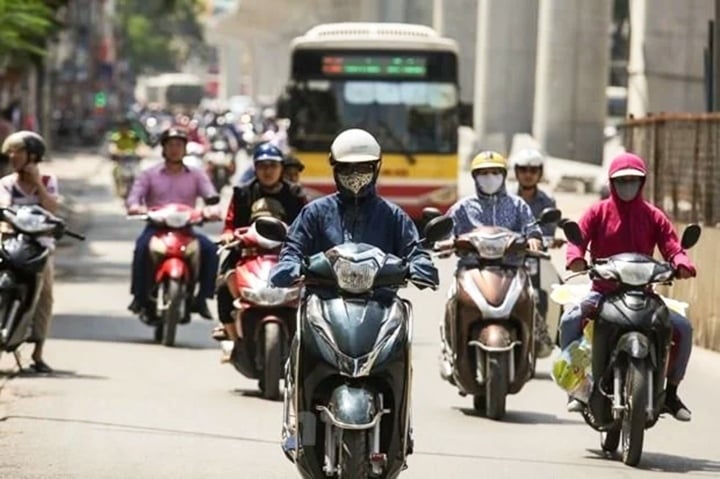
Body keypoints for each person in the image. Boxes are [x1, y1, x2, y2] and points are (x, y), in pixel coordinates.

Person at [560, 152, 696, 421]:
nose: (627, 185)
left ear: (642, 182)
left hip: (645, 294)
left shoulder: (653, 215)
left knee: (683, 328)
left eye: (634, 180)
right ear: (611, 183)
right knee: (569, 320)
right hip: (603, 293)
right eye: (622, 181)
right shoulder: (597, 212)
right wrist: (575, 258)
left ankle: (671, 392)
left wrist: (681, 262)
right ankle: (576, 387)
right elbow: (578, 240)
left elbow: (672, 245)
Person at [270, 128, 438, 290]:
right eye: (346, 168)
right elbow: (292, 251)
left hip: (381, 302)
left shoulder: (393, 215)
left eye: (364, 167)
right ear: (335, 169)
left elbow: (415, 253)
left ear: (376, 168)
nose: (354, 174)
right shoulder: (314, 213)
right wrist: (290, 267)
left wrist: (418, 267)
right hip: (324, 301)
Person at [441, 151, 553, 358]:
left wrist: (534, 238)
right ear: (475, 177)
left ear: (503, 176)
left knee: (531, 298)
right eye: (483, 173)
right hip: (471, 269)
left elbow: (531, 228)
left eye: (495, 172)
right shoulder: (463, 207)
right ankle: (450, 349)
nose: (489, 177)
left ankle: (530, 346)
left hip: (510, 269)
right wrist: (445, 241)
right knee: (452, 299)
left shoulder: (517, 205)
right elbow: (447, 230)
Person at [213, 143, 307, 342]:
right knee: (223, 284)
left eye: (273, 166)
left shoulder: (295, 195)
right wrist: (229, 235)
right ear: (255, 168)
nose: (268, 171)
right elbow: (230, 224)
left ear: (281, 168)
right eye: (263, 166)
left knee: (313, 286)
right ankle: (230, 334)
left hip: (286, 253)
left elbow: (307, 226)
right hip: (247, 251)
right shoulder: (242, 194)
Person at [126, 127, 220, 319]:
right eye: (170, 145)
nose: (175, 149)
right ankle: (139, 296)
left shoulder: (196, 174)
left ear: (185, 148)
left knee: (211, 250)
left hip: (186, 228)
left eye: (179, 145)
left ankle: (202, 298)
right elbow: (134, 198)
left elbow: (210, 195)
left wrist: (210, 210)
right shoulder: (149, 174)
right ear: (163, 148)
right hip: (156, 227)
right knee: (141, 248)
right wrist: (137, 207)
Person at [0, 131, 59, 372]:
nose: (13, 156)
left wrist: (36, 185)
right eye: (11, 152)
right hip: (10, 243)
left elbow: (53, 208)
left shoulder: (47, 181)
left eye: (19, 152)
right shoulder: (6, 183)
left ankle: (38, 352)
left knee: (44, 297)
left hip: (40, 247)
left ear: (33, 156)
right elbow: (3, 208)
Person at [511, 148, 557, 237]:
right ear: (516, 171)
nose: (528, 175)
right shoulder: (507, 198)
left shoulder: (548, 201)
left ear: (540, 173)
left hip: (537, 250)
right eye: (523, 169)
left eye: (533, 170)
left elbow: (549, 232)